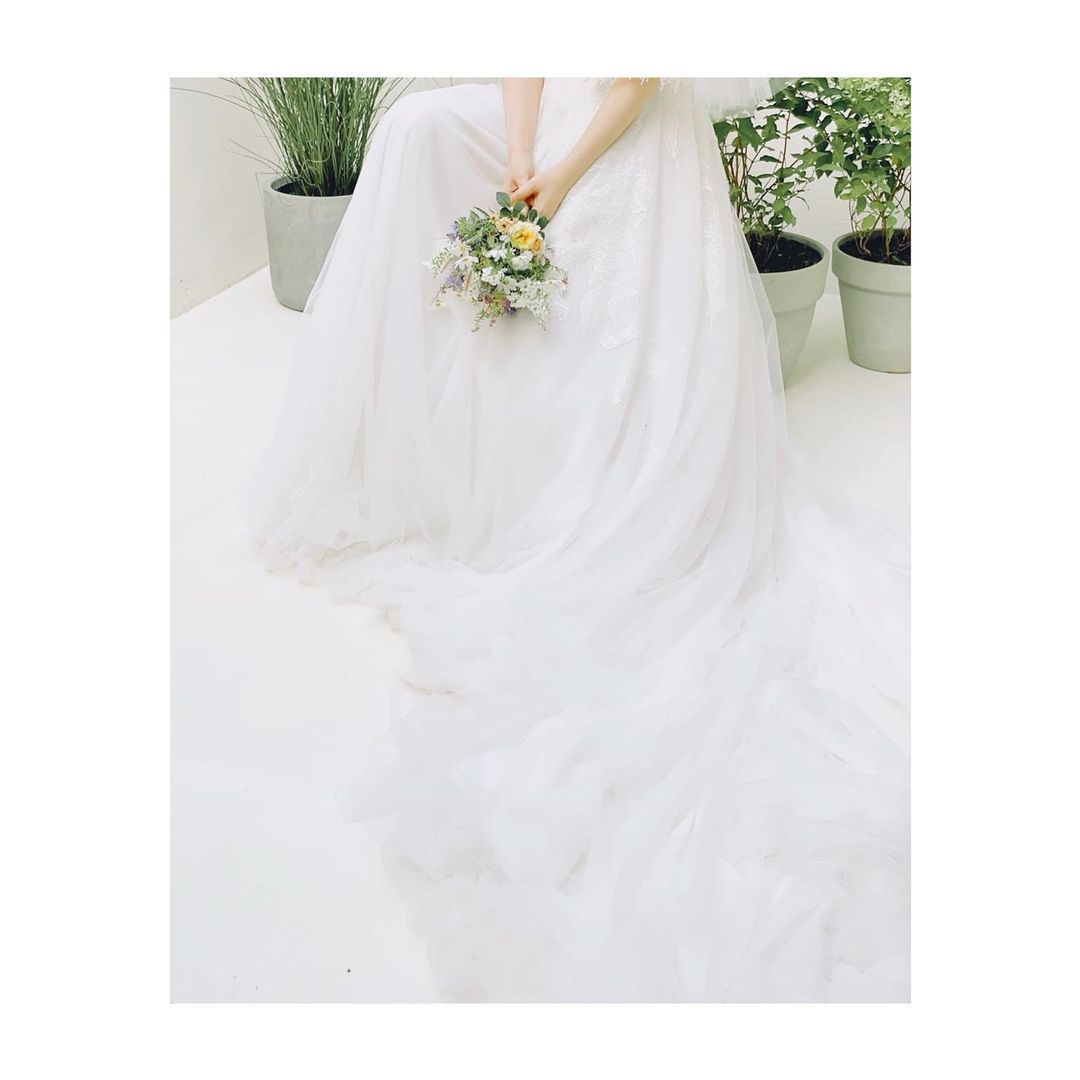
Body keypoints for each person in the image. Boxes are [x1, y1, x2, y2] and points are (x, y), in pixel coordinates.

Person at [247, 78, 910, 1002]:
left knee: (603, 318)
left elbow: (635, 79)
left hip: (630, 131)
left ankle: (608, 496)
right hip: (560, 118)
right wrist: (522, 158)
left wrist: (560, 179)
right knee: (478, 225)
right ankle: (509, 497)